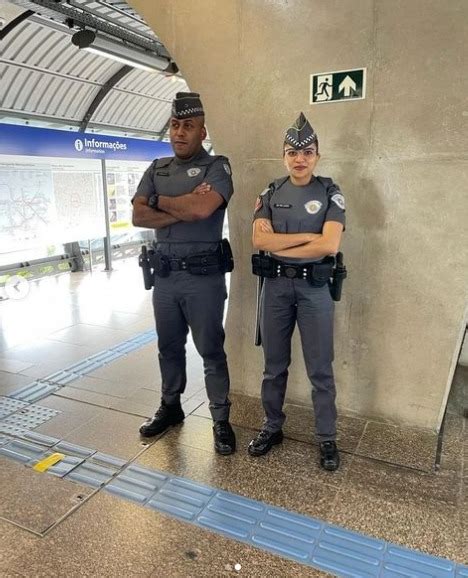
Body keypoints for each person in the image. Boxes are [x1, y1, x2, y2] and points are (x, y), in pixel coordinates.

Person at [132, 92, 236, 455]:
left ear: (201, 131)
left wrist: (159, 201)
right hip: (165, 279)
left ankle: (221, 419)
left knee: (210, 349)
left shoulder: (217, 168)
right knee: (168, 347)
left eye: (187, 126)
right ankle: (171, 407)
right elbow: (138, 216)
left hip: (203, 279)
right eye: (175, 125)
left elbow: (204, 209)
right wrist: (183, 205)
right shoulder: (156, 167)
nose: (179, 132)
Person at [249, 113, 345, 471]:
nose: (299, 158)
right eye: (292, 152)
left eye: (307, 152)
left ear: (317, 156)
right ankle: (272, 427)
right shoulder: (270, 192)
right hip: (274, 288)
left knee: (320, 368)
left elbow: (330, 246)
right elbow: (260, 240)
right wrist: (309, 237)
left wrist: (286, 244)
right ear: (283, 156)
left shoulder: (330, 192)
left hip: (314, 289)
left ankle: (326, 437)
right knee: (274, 366)